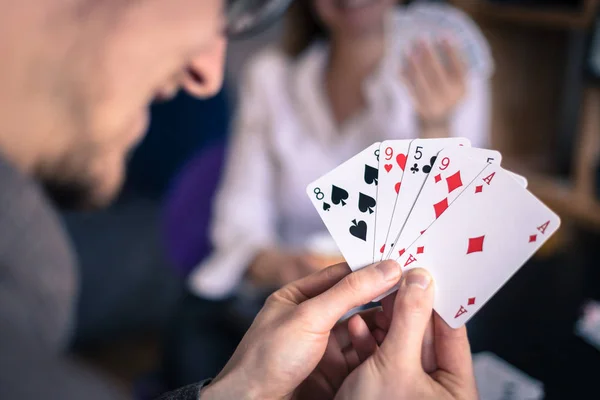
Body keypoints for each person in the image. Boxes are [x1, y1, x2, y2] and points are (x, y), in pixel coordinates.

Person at [0, 0, 477, 399]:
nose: (208, 76)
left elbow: (450, 232)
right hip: (271, 300)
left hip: (383, 311)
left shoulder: (452, 69)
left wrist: (240, 390)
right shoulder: (272, 78)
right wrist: (274, 264)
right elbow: (236, 224)